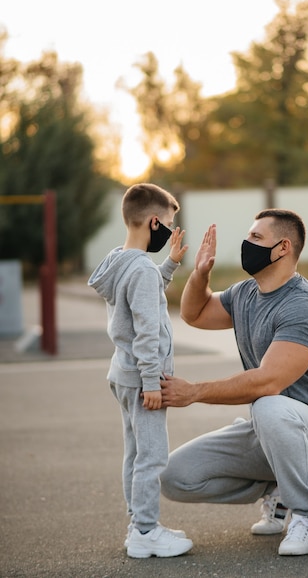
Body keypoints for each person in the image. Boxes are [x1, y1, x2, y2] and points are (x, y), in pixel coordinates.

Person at [160, 209, 308, 557]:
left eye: (257, 238)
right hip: (270, 429)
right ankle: (274, 489)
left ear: (283, 248)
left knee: (269, 403)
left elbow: (268, 382)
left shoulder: (303, 305)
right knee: (173, 476)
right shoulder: (246, 293)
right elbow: (195, 314)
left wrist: (194, 392)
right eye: (249, 236)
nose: (247, 244)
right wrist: (200, 274)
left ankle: (303, 518)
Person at [88, 183, 193, 559]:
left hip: (122, 374)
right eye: (167, 223)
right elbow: (148, 330)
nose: (169, 230)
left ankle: (138, 521)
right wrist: (153, 381)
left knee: (134, 454)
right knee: (151, 457)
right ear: (153, 222)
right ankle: (146, 532)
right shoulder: (142, 272)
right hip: (143, 379)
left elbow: (139, 299)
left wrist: (170, 265)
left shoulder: (119, 261)